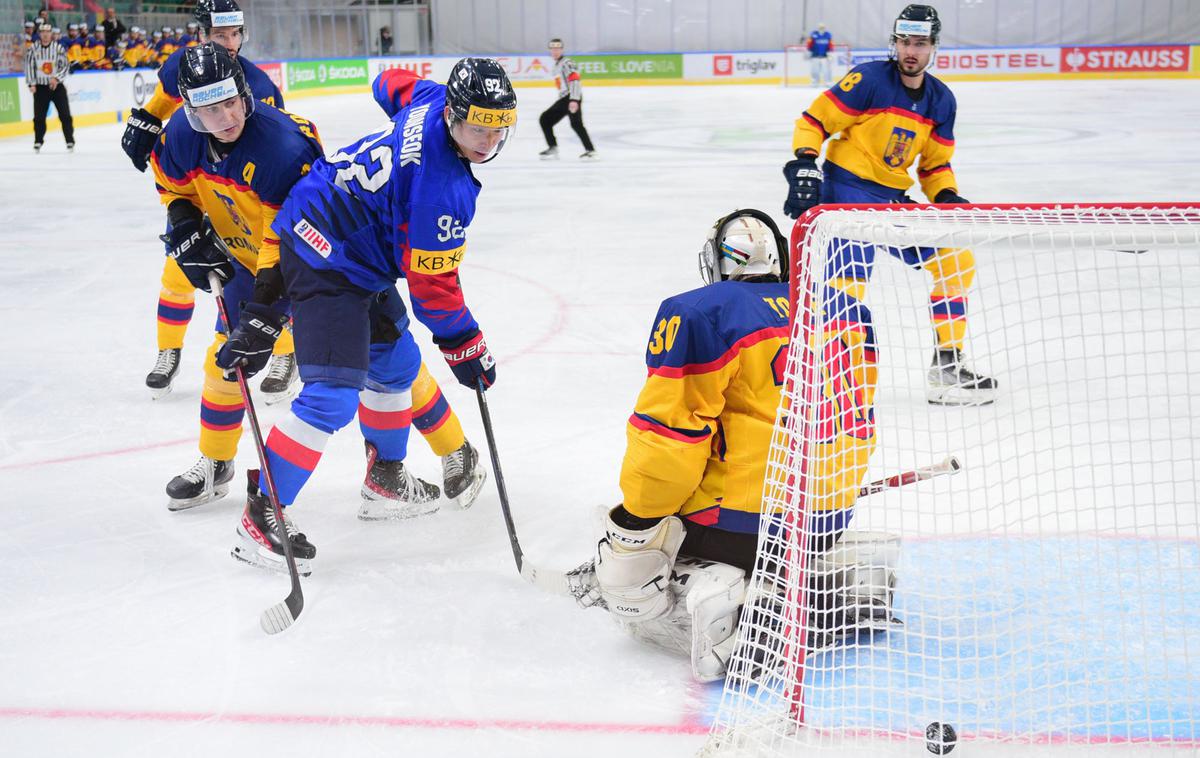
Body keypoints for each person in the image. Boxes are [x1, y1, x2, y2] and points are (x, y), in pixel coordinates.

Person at [563, 210, 890, 682]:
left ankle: (731, 599)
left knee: (629, 550)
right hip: (824, 520)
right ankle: (801, 581)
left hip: (737, 529)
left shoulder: (701, 311)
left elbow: (669, 433)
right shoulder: (844, 308)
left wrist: (641, 515)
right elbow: (857, 420)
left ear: (715, 261)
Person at [226, 59, 516, 575]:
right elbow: (433, 293)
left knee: (397, 366)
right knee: (333, 395)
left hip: (351, 250)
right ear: (452, 115)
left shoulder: (430, 100)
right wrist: (467, 346)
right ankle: (263, 511)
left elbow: (389, 81)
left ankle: (384, 479)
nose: (488, 142)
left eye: (498, 129)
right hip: (325, 257)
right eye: (477, 128)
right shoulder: (442, 191)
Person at [782, 3, 996, 406]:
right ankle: (834, 377)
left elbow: (935, 165)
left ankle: (946, 367)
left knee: (954, 259)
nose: (910, 51)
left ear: (934, 47)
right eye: (903, 42)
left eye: (919, 43)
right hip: (846, 195)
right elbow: (814, 122)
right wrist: (806, 162)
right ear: (894, 43)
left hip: (891, 203)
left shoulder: (941, 100)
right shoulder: (868, 80)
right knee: (847, 286)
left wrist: (946, 195)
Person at [150, 43, 324, 512]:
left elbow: (288, 239)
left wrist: (267, 312)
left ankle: (440, 451)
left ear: (245, 92)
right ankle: (216, 462)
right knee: (226, 360)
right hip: (248, 261)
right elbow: (173, 187)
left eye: (230, 101)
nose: (225, 116)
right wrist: (185, 223)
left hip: (318, 261)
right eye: (208, 108)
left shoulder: (284, 149)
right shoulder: (182, 137)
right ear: (188, 108)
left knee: (380, 360)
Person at [123, 0, 299, 402]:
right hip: (199, 189)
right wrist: (148, 121)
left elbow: (267, 152)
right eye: (221, 35)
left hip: (242, 203)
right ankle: (169, 350)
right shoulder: (182, 64)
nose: (231, 42)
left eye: (236, 33)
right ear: (202, 33)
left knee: (266, 281)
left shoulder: (261, 87)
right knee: (176, 274)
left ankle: (285, 355)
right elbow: (165, 105)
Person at [538, 38, 596, 160]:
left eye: (557, 48)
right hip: (565, 98)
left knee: (549, 120)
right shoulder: (557, 65)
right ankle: (554, 147)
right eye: (553, 49)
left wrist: (574, 100)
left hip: (570, 97)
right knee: (548, 120)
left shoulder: (567, 63)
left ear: (562, 49)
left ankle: (590, 151)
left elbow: (575, 80)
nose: (555, 51)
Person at [24, 23, 74, 153]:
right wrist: (31, 83)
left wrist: (56, 78)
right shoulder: (33, 49)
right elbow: (29, 66)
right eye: (42, 32)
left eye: (48, 32)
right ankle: (38, 141)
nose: (45, 34)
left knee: (65, 115)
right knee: (39, 117)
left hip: (57, 87)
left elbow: (65, 66)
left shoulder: (58, 48)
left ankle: (69, 140)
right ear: (39, 34)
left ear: (51, 33)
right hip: (40, 88)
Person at [807, 22, 835, 87]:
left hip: (824, 56)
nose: (821, 29)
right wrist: (809, 51)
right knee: (814, 70)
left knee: (827, 70)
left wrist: (830, 52)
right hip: (815, 56)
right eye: (820, 27)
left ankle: (828, 82)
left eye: (823, 27)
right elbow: (809, 43)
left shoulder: (828, 35)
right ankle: (814, 82)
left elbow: (831, 44)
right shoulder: (814, 34)